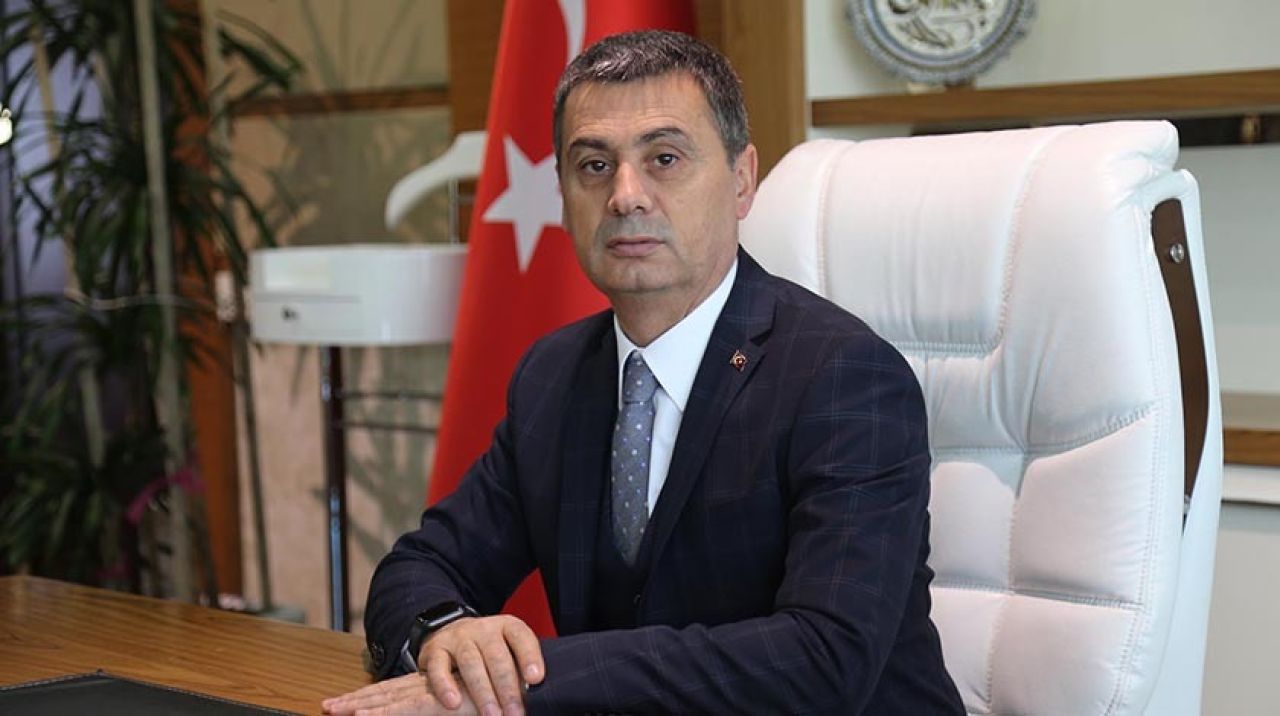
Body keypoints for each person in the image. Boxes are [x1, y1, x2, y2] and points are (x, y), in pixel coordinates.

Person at [323, 30, 962, 716]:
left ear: (742, 180)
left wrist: (530, 681)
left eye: (664, 158)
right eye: (594, 165)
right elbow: (420, 568)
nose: (626, 196)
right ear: (563, 195)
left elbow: (823, 658)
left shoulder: (845, 376)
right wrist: (448, 635)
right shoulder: (553, 375)